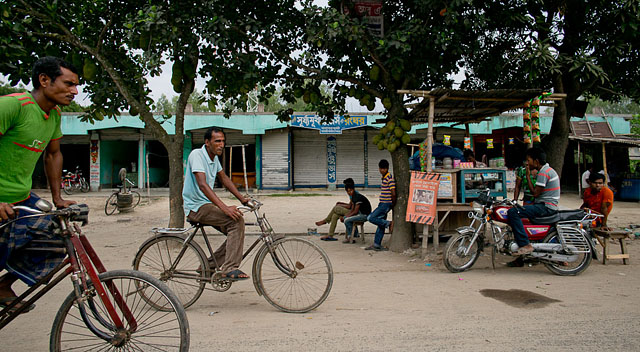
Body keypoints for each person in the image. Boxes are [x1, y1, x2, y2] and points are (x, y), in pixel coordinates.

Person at [0, 56, 79, 312]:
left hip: (21, 197)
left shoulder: (54, 114)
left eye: (76, 86)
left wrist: (58, 199)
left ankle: (3, 285)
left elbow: (53, 154)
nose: (74, 91)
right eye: (68, 84)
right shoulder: (13, 106)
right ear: (44, 80)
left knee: (59, 238)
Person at [183, 127, 250, 281]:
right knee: (236, 221)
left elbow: (224, 178)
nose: (221, 144)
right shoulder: (197, 155)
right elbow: (203, 185)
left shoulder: (214, 159)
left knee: (236, 233)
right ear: (207, 142)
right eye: (217, 141)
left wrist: (242, 199)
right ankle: (229, 268)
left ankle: (208, 266)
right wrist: (224, 208)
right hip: (196, 207)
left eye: (223, 141)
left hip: (205, 205)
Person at [506, 147, 560, 256]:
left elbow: (535, 193)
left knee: (512, 212)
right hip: (545, 205)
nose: (527, 163)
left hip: (545, 207)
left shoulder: (544, 173)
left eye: (528, 160)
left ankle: (525, 244)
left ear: (536, 161)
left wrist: (527, 176)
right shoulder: (547, 170)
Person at [365, 159, 396, 251]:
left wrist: (392, 203)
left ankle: (389, 223)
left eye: (384, 168)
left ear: (387, 168)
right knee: (380, 224)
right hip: (382, 203)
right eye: (381, 168)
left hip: (385, 204)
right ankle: (377, 244)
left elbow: (393, 193)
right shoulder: (384, 177)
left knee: (370, 218)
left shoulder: (389, 178)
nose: (382, 170)